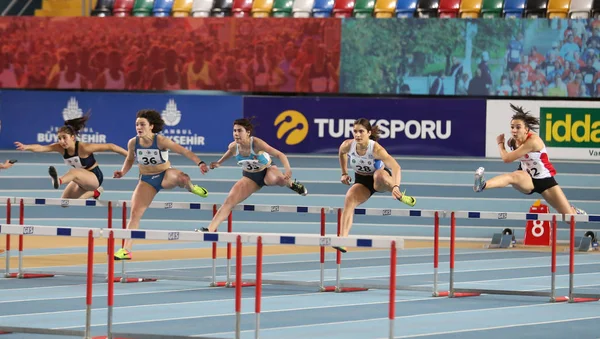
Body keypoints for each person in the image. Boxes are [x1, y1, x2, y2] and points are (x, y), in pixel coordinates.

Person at [113, 109, 210, 260]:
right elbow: (130, 159)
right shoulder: (133, 143)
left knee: (183, 178)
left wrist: (200, 162)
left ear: (151, 126)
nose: (139, 127)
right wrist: (122, 172)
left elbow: (184, 151)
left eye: (142, 124)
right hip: (146, 180)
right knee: (134, 214)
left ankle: (191, 187)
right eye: (137, 124)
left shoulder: (161, 141)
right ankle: (126, 250)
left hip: (165, 175)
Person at [197, 117, 308, 233]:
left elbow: (280, 155)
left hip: (268, 170)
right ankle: (209, 229)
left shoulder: (256, 144)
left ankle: (293, 184)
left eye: (240, 131)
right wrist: (219, 162)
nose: (236, 134)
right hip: (251, 177)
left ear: (248, 132)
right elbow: (230, 152)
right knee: (229, 202)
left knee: (279, 179)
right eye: (234, 131)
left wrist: (288, 170)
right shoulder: (233, 146)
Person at [473, 104, 586, 215]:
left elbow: (507, 158)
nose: (514, 130)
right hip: (526, 177)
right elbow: (508, 158)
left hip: (545, 181)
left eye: (518, 127)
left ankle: (573, 210)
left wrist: (500, 144)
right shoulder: (512, 141)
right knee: (511, 177)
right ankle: (482, 185)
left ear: (526, 129)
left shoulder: (533, 141)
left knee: (569, 218)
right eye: (512, 127)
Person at [335, 118, 417, 253]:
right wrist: (344, 173)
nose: (357, 135)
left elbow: (396, 167)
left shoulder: (376, 150)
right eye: (355, 131)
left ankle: (400, 195)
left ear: (368, 133)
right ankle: (343, 240)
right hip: (362, 181)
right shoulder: (347, 145)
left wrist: (396, 186)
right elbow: (341, 153)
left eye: (361, 131)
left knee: (378, 176)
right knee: (349, 198)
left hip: (381, 179)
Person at [14, 113, 126, 200]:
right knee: (64, 202)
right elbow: (42, 148)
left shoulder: (84, 147)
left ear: (72, 137)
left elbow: (111, 146)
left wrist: (130, 155)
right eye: (59, 138)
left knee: (74, 172)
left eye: (64, 137)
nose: (62, 141)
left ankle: (58, 181)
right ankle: (95, 193)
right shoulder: (60, 148)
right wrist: (26, 147)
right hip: (80, 179)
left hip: (94, 177)